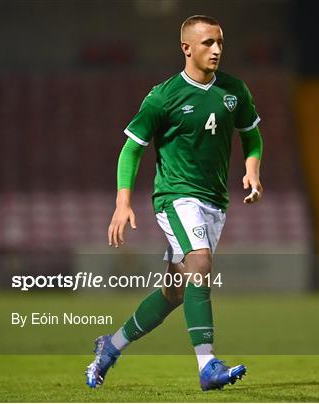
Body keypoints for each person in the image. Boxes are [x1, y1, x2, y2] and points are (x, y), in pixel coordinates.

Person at [85, 15, 263, 391]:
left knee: (174, 292)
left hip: (215, 201)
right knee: (199, 262)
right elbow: (131, 149)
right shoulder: (163, 97)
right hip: (175, 196)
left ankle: (110, 347)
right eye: (207, 43)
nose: (216, 50)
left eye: (219, 42)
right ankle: (207, 365)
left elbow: (252, 136)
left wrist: (252, 170)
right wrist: (122, 203)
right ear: (186, 48)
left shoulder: (234, 91)